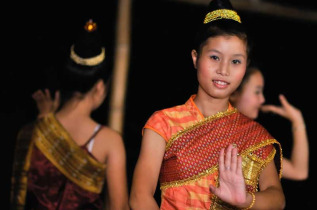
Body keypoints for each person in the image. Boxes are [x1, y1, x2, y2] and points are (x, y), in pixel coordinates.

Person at [129, 0, 285, 209]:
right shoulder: (164, 123)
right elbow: (140, 196)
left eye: (236, 61)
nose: (224, 69)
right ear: (195, 58)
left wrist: (246, 200)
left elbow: (277, 198)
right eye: (214, 57)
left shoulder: (253, 135)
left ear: (246, 66)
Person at [10, 19, 129, 210]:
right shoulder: (108, 141)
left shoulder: (34, 130)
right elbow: (119, 207)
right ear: (99, 87)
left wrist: (44, 122)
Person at [229, 66, 309, 180]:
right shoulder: (210, 127)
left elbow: (299, 172)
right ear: (234, 93)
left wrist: (297, 120)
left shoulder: (252, 140)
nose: (262, 99)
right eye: (257, 92)